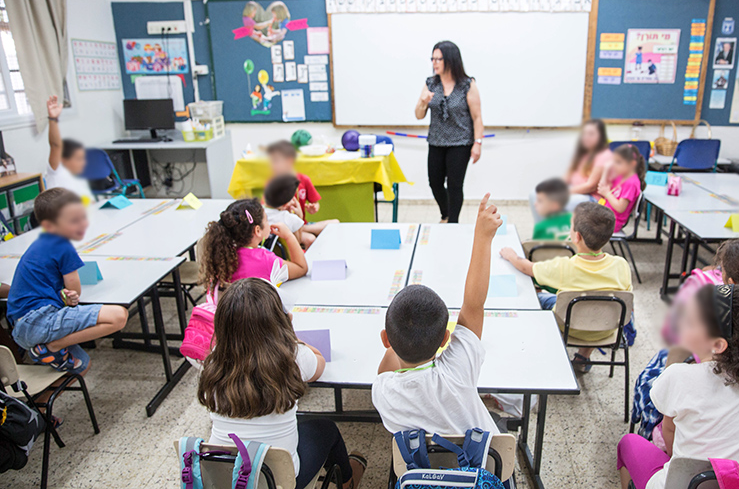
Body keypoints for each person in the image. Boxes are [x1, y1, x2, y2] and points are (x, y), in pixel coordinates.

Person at [198, 278, 367, 489]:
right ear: (278, 321)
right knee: (327, 428)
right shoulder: (291, 357)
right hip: (280, 480)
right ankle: (348, 481)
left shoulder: (214, 361)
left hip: (224, 475)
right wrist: (288, 336)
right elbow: (319, 363)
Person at [616, 284, 739, 489]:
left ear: (717, 344)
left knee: (628, 443)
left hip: (687, 483)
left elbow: (669, 438)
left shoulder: (679, 375)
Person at [372, 194, 501, 435]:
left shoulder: (383, 391)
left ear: (385, 339)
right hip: (486, 468)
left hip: (421, 472)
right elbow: (474, 304)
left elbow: (386, 370)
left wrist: (398, 336)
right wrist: (483, 238)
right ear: (445, 340)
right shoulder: (459, 370)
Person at [499, 202, 631, 372]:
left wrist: (512, 256)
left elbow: (528, 268)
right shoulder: (621, 265)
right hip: (606, 330)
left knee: (535, 298)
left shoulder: (565, 267)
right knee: (597, 301)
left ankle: (531, 351)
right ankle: (583, 357)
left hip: (568, 327)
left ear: (576, 237)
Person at [6, 188, 128, 372]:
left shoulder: (42, 242)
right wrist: (70, 295)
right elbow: (76, 291)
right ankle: (51, 347)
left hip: (21, 326)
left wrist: (65, 296)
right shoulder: (61, 244)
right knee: (118, 316)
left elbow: (67, 294)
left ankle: (41, 398)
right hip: (38, 320)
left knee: (81, 365)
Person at [415, 41, 484, 223]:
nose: (434, 63)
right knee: (435, 183)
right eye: (433, 59)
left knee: (454, 185)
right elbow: (419, 115)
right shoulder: (430, 83)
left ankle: (453, 221)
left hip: (460, 143)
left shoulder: (467, 85)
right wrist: (423, 102)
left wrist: (478, 143)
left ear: (451, 60)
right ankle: (445, 214)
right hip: (436, 141)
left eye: (439, 59)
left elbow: (477, 117)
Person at [199, 199, 308, 292]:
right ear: (257, 230)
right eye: (266, 220)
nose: (268, 223)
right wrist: (289, 235)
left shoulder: (223, 255)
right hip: (258, 315)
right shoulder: (265, 260)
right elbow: (301, 268)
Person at [267, 140, 338, 245]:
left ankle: (304, 228)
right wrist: (282, 207)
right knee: (310, 239)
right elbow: (269, 209)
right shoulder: (273, 183)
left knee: (335, 223)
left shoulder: (303, 179)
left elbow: (315, 203)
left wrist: (313, 208)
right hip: (286, 225)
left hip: (303, 223)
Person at [44, 95, 93, 203]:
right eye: (78, 159)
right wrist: (53, 119)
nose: (83, 162)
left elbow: (88, 202)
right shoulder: (56, 172)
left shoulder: (78, 178)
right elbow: (55, 145)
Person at [598, 144, 646, 233]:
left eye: (618, 162)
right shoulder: (620, 175)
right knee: (577, 213)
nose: (614, 165)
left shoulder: (631, 182)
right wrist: (606, 170)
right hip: (605, 215)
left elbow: (620, 208)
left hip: (612, 222)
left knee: (579, 220)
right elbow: (601, 187)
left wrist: (607, 193)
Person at [263, 174, 306, 249]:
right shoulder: (290, 219)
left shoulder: (256, 211)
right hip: (285, 258)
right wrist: (299, 216)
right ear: (286, 204)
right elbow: (297, 245)